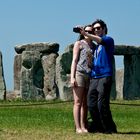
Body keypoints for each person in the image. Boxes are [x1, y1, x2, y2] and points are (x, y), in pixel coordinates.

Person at [80, 19, 117, 133]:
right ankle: (99, 126)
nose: (96, 30)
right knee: (91, 103)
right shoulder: (96, 47)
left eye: (98, 28)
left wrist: (86, 34)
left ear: (104, 29)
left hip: (105, 75)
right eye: (94, 29)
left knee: (102, 104)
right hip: (95, 76)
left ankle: (109, 128)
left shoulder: (108, 40)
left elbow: (100, 40)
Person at [70, 25, 95, 134]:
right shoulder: (79, 43)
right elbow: (74, 60)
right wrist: (72, 77)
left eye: (91, 31)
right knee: (77, 102)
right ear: (83, 32)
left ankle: (84, 126)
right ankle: (78, 127)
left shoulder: (94, 45)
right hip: (79, 73)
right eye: (87, 31)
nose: (89, 33)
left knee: (85, 103)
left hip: (90, 75)